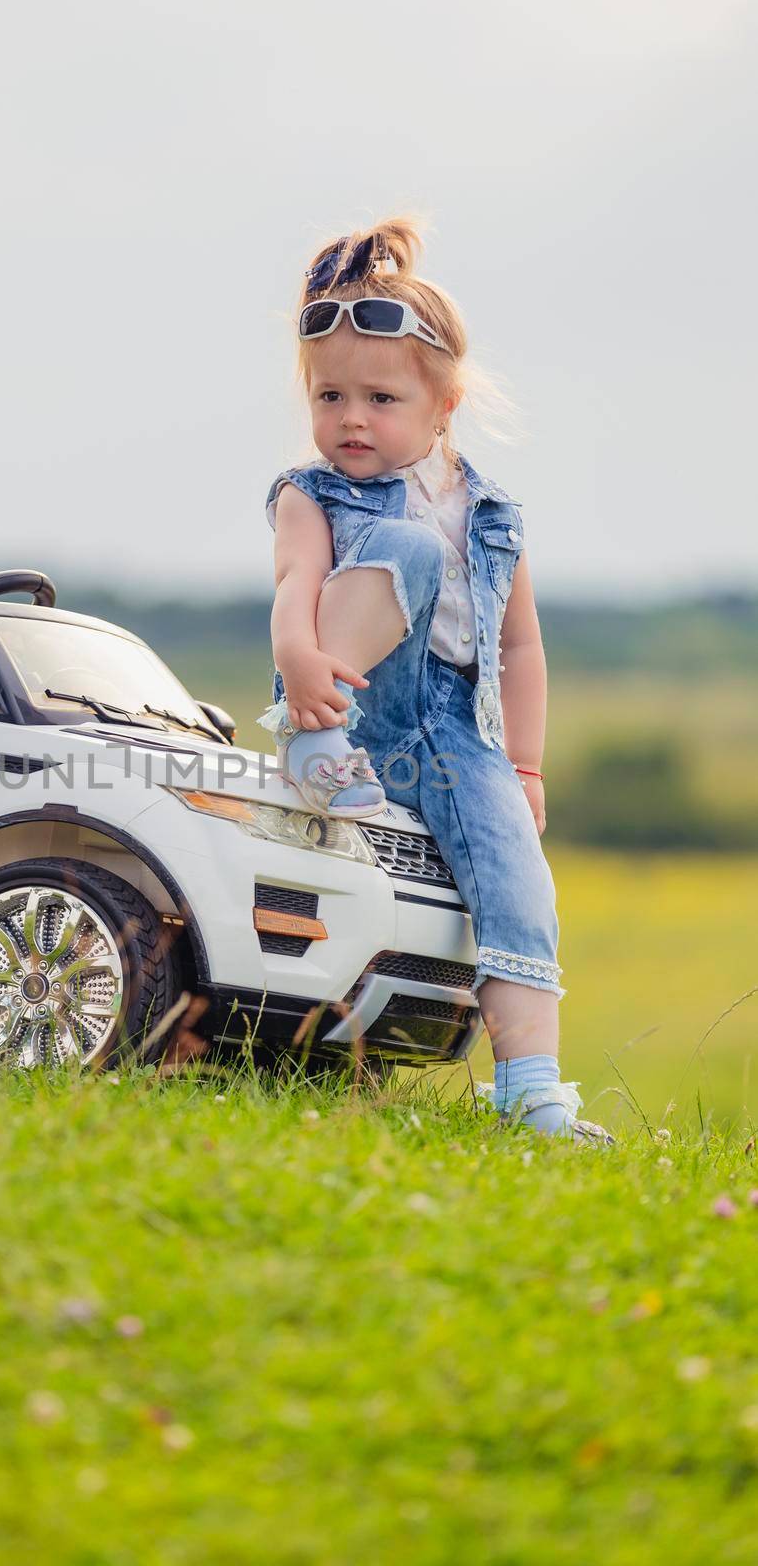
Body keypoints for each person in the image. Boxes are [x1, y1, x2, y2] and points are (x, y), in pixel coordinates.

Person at [254, 215, 612, 1146]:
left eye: (379, 398)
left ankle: (532, 1093)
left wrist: (524, 767)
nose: (350, 420)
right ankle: (311, 741)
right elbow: (298, 584)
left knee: (518, 885)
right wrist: (298, 663)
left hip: (460, 730)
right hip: (352, 698)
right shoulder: (313, 492)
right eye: (329, 396)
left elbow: (520, 647)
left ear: (444, 401)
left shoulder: (492, 513)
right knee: (404, 547)